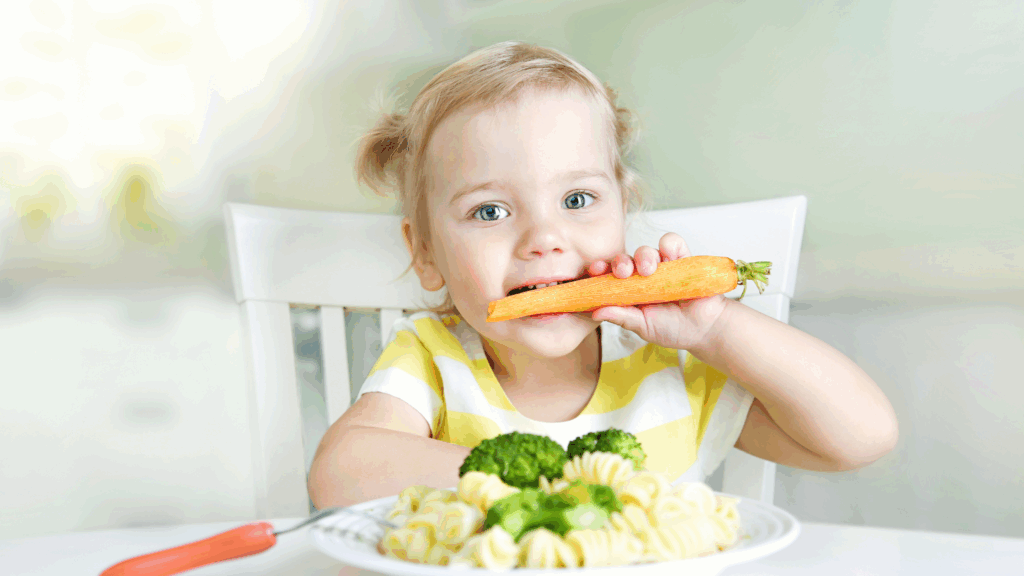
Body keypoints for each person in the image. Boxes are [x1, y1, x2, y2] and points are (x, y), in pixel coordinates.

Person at [307, 41, 898, 508]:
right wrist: (548, 483)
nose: (544, 239)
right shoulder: (432, 359)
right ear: (428, 254)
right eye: (490, 211)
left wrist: (717, 330)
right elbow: (340, 472)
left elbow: (862, 437)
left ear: (623, 211)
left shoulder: (669, 368)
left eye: (577, 200)